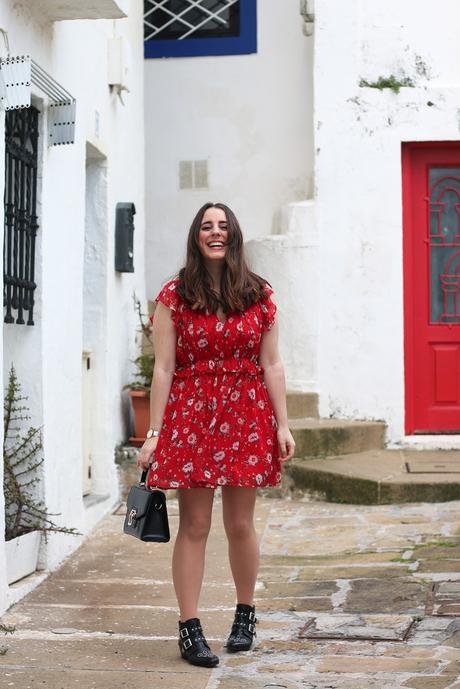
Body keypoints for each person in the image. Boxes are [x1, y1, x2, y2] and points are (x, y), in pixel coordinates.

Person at [137, 202, 295, 668]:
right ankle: (190, 629)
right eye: (207, 226)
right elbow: (163, 367)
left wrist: (282, 424)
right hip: (191, 418)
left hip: (247, 417)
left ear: (235, 235)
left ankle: (244, 616)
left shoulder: (259, 294)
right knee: (196, 525)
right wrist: (153, 432)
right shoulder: (175, 295)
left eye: (223, 226)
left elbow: (272, 363)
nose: (215, 233)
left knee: (240, 524)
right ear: (196, 236)